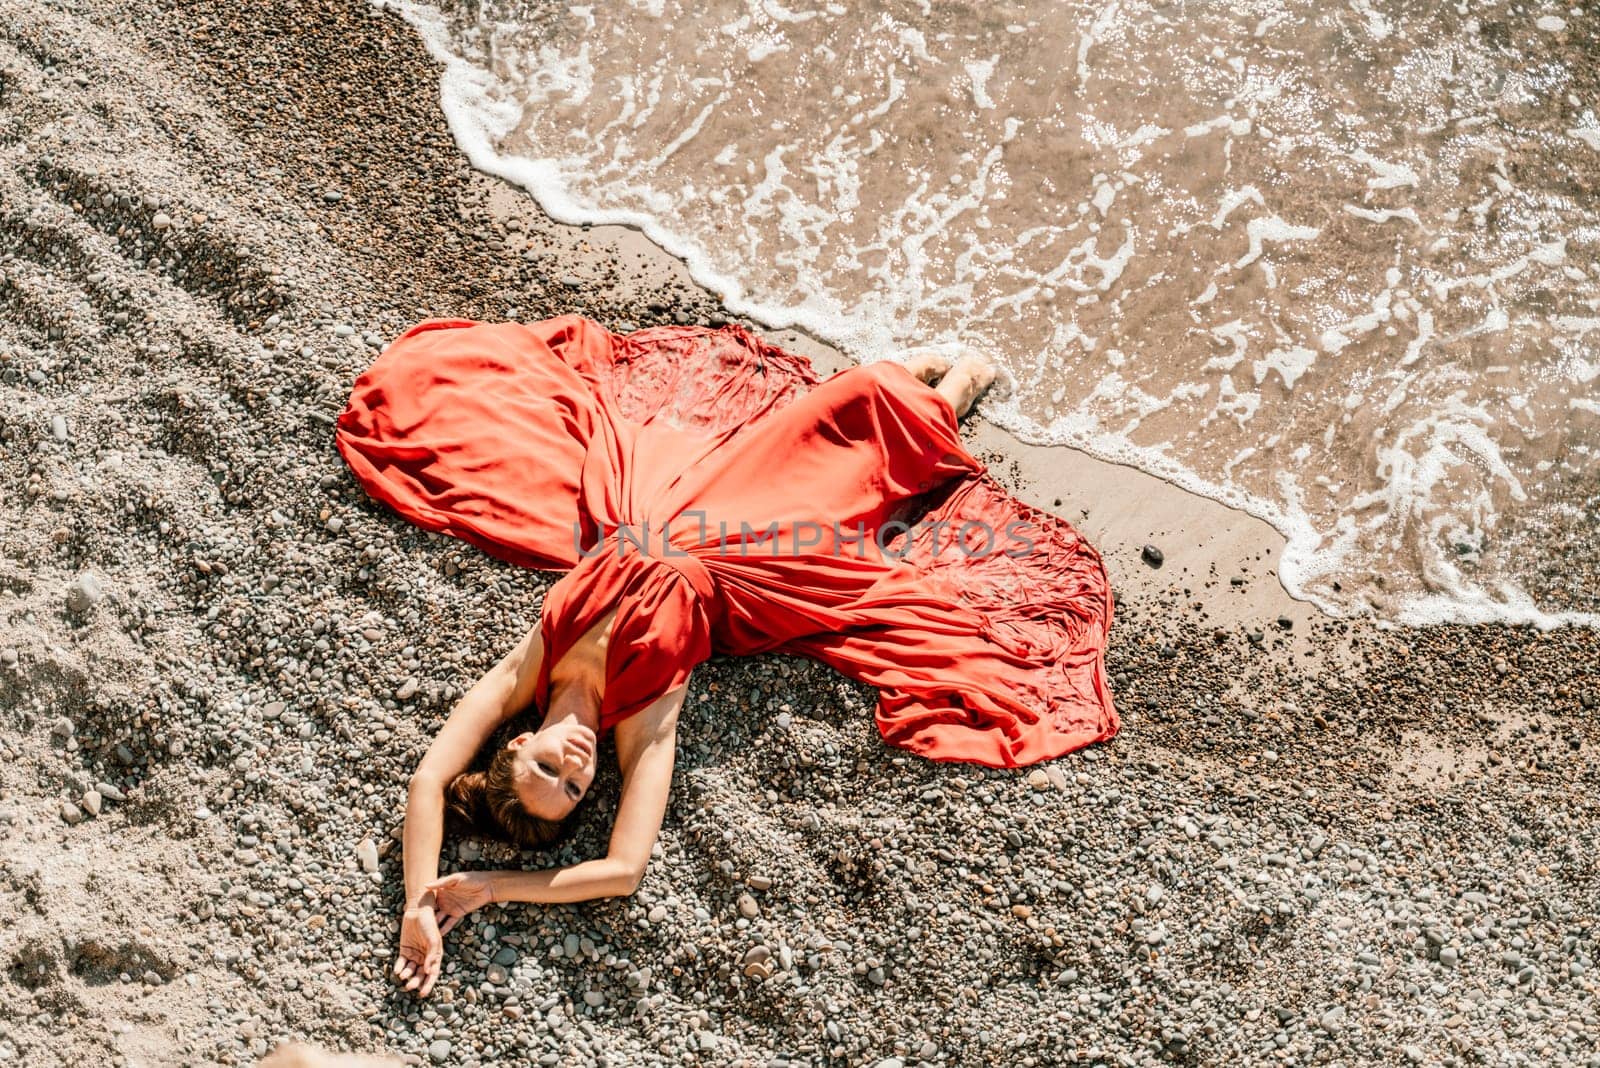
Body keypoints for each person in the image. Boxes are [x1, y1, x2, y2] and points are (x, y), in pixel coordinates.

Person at [334, 317, 1117, 998]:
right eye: (576, 788)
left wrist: (417, 903)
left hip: (675, 505)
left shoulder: (528, 669)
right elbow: (625, 868)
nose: (572, 767)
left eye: (546, 770)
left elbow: (429, 777)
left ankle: (908, 382)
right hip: (753, 562)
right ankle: (958, 390)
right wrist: (494, 891)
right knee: (871, 453)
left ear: (516, 742)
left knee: (846, 402)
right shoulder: (641, 718)